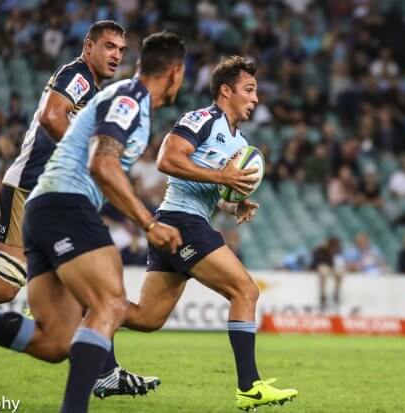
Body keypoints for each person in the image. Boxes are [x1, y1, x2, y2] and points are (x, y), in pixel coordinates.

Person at [0, 32, 187, 413]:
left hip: (45, 204)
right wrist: (148, 223)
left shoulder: (118, 96)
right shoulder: (122, 95)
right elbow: (97, 158)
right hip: (56, 198)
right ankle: (101, 378)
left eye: (121, 49)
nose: (114, 54)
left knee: (54, 341)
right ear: (176, 73)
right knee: (108, 302)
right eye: (109, 46)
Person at [93, 56, 298, 410]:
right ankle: (249, 387)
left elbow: (214, 189)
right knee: (245, 290)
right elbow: (166, 160)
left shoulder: (238, 143)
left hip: (183, 222)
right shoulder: (202, 119)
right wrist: (223, 179)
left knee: (146, 318)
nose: (255, 99)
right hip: (182, 222)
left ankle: (87, 309)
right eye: (248, 90)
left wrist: (234, 204)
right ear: (225, 90)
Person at [311, 237, 344, 309]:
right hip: (322, 267)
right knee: (323, 271)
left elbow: (337, 262)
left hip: (332, 268)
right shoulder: (320, 250)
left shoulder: (337, 252)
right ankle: (323, 295)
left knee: (340, 273)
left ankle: (336, 294)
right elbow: (317, 262)